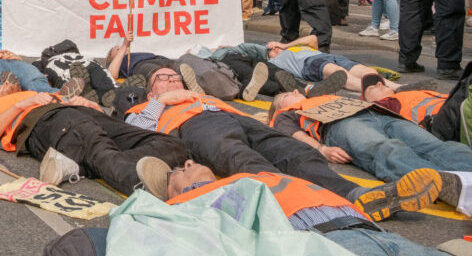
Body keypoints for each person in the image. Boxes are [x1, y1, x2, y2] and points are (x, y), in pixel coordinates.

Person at [138, 160, 468, 256]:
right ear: (175, 194)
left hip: (378, 234)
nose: (188, 164)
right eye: (178, 172)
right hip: (326, 247)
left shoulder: (246, 177)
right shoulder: (192, 204)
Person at [122, 65, 369, 202]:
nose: (172, 79)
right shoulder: (146, 105)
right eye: (162, 78)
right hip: (196, 125)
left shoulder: (201, 95)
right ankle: (292, 202)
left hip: (237, 118)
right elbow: (138, 129)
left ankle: (353, 193)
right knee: (238, 157)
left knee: (293, 151)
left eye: (175, 76)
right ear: (151, 91)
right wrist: (163, 100)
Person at [0, 88, 190, 194]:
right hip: (48, 121)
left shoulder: (48, 93)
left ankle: (77, 166)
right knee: (94, 142)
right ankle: (151, 184)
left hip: (83, 116)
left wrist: (89, 105)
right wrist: (21, 105)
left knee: (172, 145)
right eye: (0, 84)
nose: (8, 85)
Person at [268, 88, 470, 206]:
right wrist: (321, 149)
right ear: (280, 106)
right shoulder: (288, 112)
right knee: (386, 148)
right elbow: (292, 132)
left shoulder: (322, 97)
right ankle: (441, 183)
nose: (295, 90)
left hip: (379, 114)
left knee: (435, 146)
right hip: (339, 124)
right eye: (286, 94)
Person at [266, 34, 398, 94]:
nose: (274, 49)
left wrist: (284, 45)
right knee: (338, 73)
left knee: (368, 72)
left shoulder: (290, 47)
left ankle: (399, 87)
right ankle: (377, 92)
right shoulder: (274, 61)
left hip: (327, 56)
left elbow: (312, 38)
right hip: (310, 64)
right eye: (270, 50)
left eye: (273, 46)